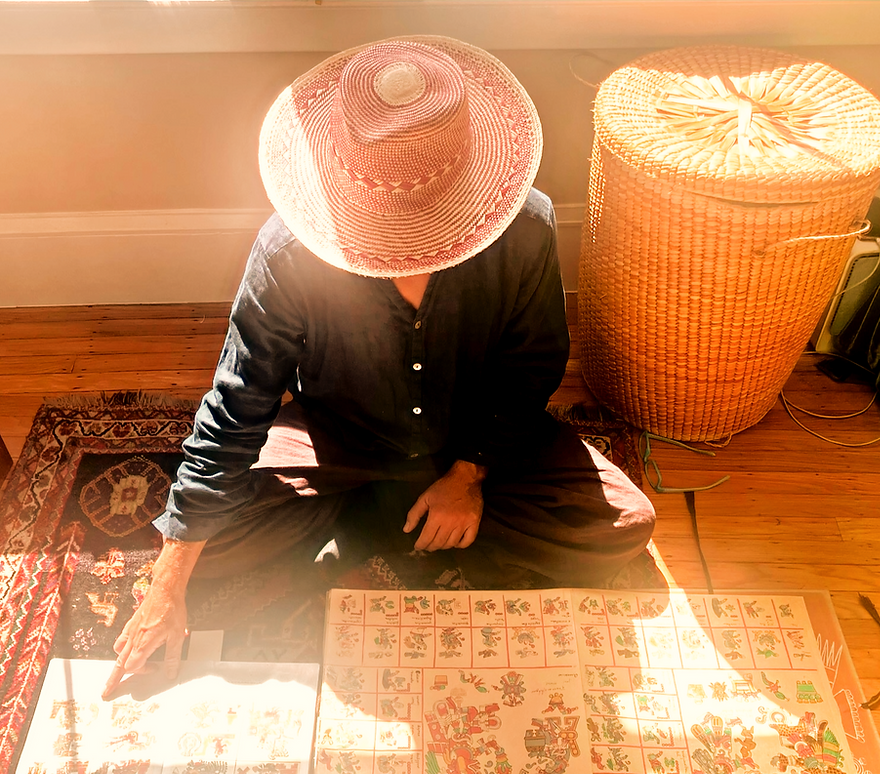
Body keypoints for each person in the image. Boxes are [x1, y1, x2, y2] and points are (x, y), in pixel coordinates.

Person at [103, 36, 655, 698]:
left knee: (623, 524)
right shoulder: (285, 253)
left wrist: (467, 473)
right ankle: (385, 515)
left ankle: (376, 517)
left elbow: (531, 366)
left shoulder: (526, 227)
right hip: (339, 435)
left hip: (473, 435)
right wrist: (169, 582)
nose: (405, 247)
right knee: (200, 550)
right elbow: (237, 405)